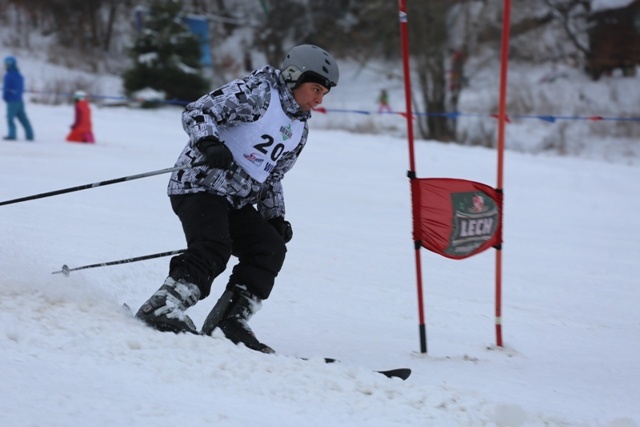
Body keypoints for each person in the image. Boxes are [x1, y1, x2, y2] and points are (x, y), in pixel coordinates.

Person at [135, 44, 339, 354]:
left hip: (236, 200)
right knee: (215, 246)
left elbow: (272, 176)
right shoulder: (259, 92)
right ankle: (163, 306)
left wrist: (274, 218)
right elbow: (199, 111)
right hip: (199, 184)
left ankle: (229, 323)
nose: (319, 99)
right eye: (315, 89)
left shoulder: (299, 128)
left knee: (269, 249)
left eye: (324, 93)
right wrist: (208, 142)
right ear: (293, 76)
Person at [3, 56, 34, 141]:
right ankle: (30, 135)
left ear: (10, 64)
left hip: (12, 101)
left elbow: (6, 88)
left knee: (10, 118)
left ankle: (12, 135)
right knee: (23, 118)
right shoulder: (19, 75)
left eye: (6, 64)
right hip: (19, 100)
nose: (5, 65)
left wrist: (5, 97)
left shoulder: (9, 75)